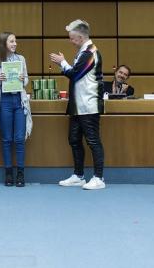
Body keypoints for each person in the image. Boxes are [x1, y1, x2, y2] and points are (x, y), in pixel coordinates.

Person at [50, 19, 106, 190]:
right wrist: (65, 63)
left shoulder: (90, 52)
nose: (70, 41)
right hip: (77, 106)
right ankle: (79, 175)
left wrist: (62, 62)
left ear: (81, 37)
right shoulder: (83, 52)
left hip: (89, 105)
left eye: (72, 38)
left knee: (93, 141)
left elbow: (75, 74)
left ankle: (99, 178)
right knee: (74, 140)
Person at [0, 32, 33, 187]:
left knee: (19, 139)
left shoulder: (21, 59)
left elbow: (26, 79)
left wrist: (22, 80)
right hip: (4, 101)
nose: (15, 44)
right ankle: (8, 174)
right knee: (6, 139)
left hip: (19, 101)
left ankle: (20, 173)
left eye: (15, 41)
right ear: (3, 44)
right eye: (12, 41)